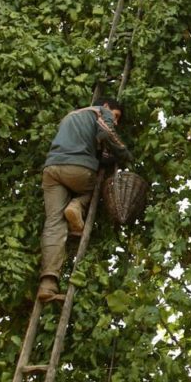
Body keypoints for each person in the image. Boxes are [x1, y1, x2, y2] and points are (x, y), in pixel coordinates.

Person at [38, 98, 132, 301]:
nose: (115, 121)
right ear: (107, 107)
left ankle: (48, 283)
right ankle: (77, 204)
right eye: (115, 116)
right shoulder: (100, 111)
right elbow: (107, 133)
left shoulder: (69, 117)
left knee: (53, 223)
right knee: (95, 188)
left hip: (52, 169)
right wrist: (124, 154)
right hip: (78, 169)